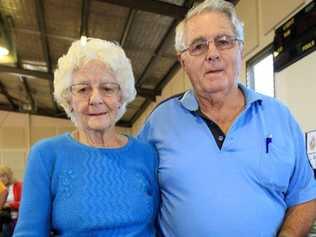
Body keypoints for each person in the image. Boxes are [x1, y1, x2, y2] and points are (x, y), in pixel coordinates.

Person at [138, 0, 316, 236]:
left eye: (223, 42)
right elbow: (135, 195)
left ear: (240, 51)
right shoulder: (159, 123)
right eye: (198, 46)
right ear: (183, 62)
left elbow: (304, 195)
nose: (212, 54)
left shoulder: (279, 117)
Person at [14, 38, 159, 236]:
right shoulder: (46, 155)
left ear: (121, 97)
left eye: (107, 88)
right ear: (69, 99)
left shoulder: (147, 154)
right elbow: (29, 232)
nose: (96, 99)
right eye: (83, 89)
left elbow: (160, 225)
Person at [0, 166, 22, 237]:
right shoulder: (2, 188)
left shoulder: (18, 185)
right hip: (5, 220)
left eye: (3, 176)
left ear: (9, 176)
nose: (1, 179)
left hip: (17, 220)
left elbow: (23, 203)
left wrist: (9, 205)